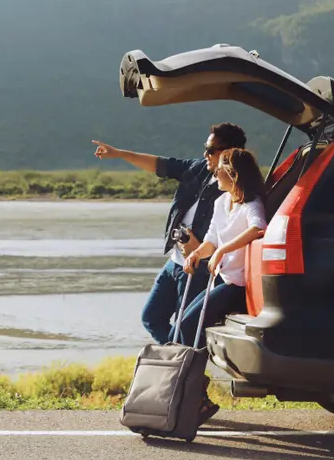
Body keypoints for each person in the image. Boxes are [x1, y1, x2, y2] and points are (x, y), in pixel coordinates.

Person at [92, 122, 248, 344]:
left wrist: (201, 249)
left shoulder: (234, 188)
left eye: (211, 150)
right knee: (152, 318)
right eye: (205, 148)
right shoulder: (197, 169)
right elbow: (159, 164)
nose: (205, 154)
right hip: (175, 260)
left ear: (229, 152)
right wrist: (119, 154)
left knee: (186, 329)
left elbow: (239, 229)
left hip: (199, 267)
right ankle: (176, 358)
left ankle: (183, 361)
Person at [174, 147, 268, 423]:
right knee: (182, 326)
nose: (214, 173)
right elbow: (211, 240)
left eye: (219, 170)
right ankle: (193, 393)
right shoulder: (221, 201)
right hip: (224, 280)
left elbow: (258, 228)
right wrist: (196, 254)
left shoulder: (251, 205)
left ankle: (195, 396)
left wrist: (223, 251)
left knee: (188, 325)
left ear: (233, 174)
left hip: (239, 285)